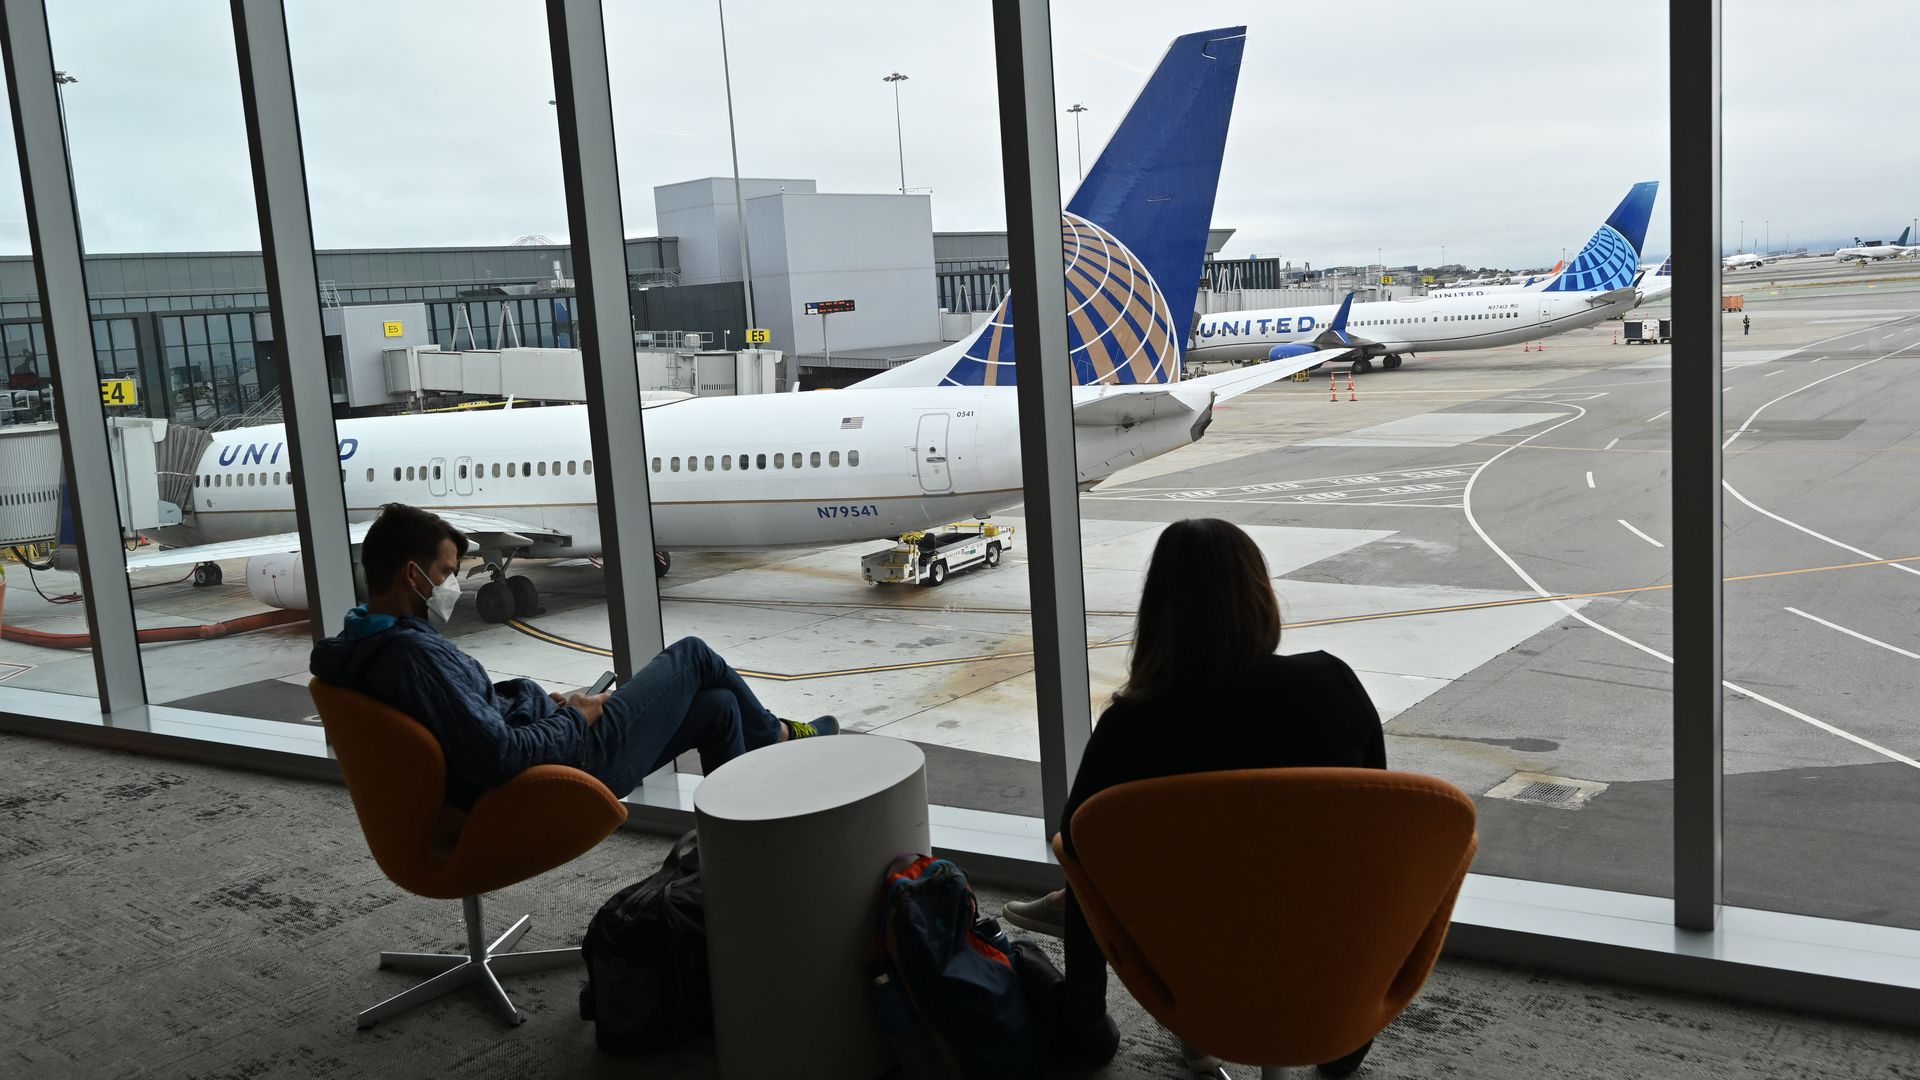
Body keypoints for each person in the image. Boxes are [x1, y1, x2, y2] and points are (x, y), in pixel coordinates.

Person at [1000, 518, 1384, 1075]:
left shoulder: (1131, 727)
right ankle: (1342, 1045)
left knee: (1081, 869)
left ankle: (1085, 1025)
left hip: (1191, 971)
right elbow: (1374, 825)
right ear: (1260, 595)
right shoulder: (1331, 686)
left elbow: (1080, 848)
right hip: (1319, 966)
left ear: (1158, 612)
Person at [310, 503, 836, 813]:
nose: (449, 584)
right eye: (446, 573)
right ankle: (777, 736)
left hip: (546, 747)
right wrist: (571, 716)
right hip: (564, 768)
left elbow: (473, 722)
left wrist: (543, 704)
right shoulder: (410, 656)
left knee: (719, 707)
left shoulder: (364, 644)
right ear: (411, 575)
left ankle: (745, 838)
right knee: (694, 655)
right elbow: (501, 756)